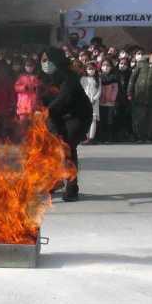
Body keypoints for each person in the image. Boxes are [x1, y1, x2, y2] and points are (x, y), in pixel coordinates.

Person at [40, 47, 91, 202]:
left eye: (47, 60)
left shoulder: (69, 77)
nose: (45, 63)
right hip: (59, 116)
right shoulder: (49, 78)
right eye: (42, 60)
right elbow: (46, 98)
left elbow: (63, 99)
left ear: (56, 60)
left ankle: (72, 187)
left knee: (67, 149)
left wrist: (46, 111)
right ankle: (55, 181)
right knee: (50, 148)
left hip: (77, 117)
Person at [127, 49, 152, 143]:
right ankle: (140, 137)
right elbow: (132, 79)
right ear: (150, 56)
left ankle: (149, 137)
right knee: (139, 117)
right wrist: (129, 92)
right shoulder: (141, 65)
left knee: (150, 118)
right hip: (139, 95)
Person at [99, 58, 120, 143]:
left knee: (109, 120)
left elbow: (115, 90)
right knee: (102, 120)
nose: (105, 67)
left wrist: (112, 99)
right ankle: (102, 137)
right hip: (101, 102)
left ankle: (109, 137)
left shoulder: (114, 77)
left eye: (107, 65)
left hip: (110, 102)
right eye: (104, 65)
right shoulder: (99, 77)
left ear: (111, 67)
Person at [81, 62, 101, 144]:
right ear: (86, 70)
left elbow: (99, 90)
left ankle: (91, 138)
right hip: (85, 102)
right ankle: (86, 137)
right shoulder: (83, 79)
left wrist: (95, 99)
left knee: (93, 119)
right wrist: (85, 99)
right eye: (89, 69)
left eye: (92, 69)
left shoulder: (98, 79)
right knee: (86, 119)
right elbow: (81, 91)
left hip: (94, 102)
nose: (91, 71)